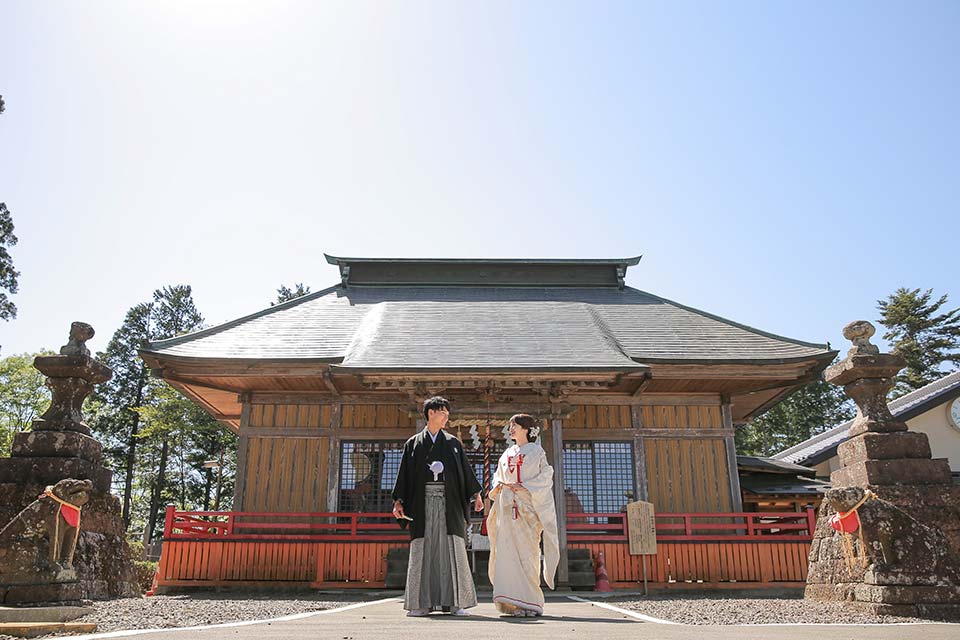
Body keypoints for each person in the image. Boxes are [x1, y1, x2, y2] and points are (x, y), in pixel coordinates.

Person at [392, 396, 484, 617]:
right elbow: (404, 475)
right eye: (443, 413)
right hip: (421, 504)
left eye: (447, 414)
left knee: (452, 548)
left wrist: (476, 494)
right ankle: (420, 603)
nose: (446, 417)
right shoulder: (413, 443)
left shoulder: (453, 443)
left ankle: (455, 603)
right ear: (430, 413)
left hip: (449, 502)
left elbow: (465, 471)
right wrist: (398, 501)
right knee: (423, 550)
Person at [487, 414, 559, 617]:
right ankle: (511, 603)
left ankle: (530, 602)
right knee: (507, 553)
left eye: (515, 426)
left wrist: (525, 486)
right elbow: (497, 477)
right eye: (510, 426)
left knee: (528, 554)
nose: (511, 429)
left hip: (527, 508)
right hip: (507, 508)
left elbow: (546, 476)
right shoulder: (507, 453)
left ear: (527, 429)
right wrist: (499, 487)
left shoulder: (536, 451)